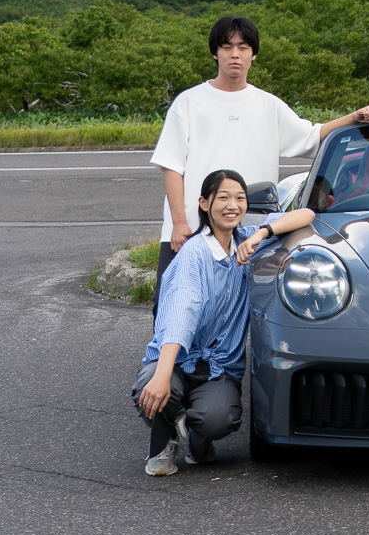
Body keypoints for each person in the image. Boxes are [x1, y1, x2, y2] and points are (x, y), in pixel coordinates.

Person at [149, 15, 369, 292]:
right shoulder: (188, 102)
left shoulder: (268, 105)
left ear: (253, 55)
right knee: (175, 312)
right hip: (193, 229)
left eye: (243, 47)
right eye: (227, 47)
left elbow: (311, 136)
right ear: (215, 53)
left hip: (250, 236)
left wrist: (352, 118)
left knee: (242, 318)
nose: (235, 54)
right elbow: (172, 166)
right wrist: (179, 223)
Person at [133, 168, 316, 475]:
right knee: (154, 390)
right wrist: (162, 376)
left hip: (218, 368)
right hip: (177, 359)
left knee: (219, 418)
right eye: (223, 197)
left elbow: (307, 214)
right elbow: (182, 315)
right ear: (204, 203)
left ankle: (194, 436)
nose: (233, 205)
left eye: (240, 198)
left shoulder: (246, 239)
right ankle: (164, 441)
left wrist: (261, 234)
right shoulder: (194, 254)